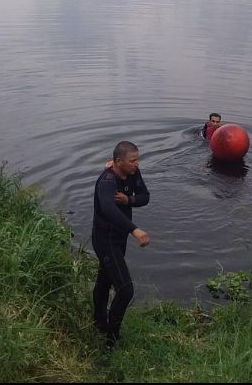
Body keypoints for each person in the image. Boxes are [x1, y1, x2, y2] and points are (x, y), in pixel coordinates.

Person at [92, 140, 151, 348]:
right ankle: (111, 339)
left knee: (104, 282)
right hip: (105, 240)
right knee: (125, 290)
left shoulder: (133, 172)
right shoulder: (107, 181)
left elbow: (145, 197)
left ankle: (98, 322)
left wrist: (129, 201)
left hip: (119, 239)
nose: (137, 164)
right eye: (132, 160)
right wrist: (135, 229)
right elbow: (108, 209)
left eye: (138, 159)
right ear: (118, 161)